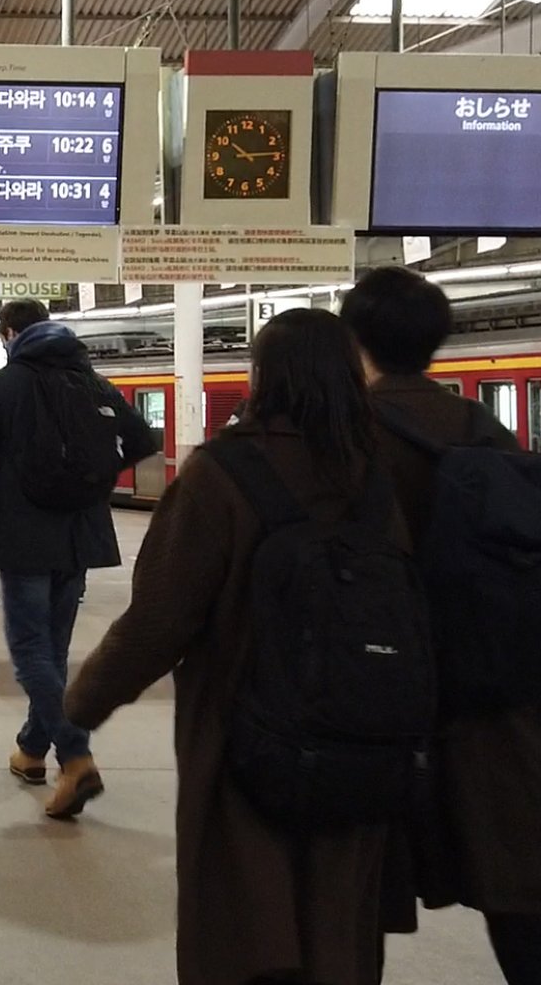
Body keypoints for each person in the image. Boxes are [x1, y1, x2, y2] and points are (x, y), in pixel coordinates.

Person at [64, 309, 407, 985]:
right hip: (366, 738)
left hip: (245, 736)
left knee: (244, 919)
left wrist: (81, 702)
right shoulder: (375, 475)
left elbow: (159, 618)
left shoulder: (222, 473)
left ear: (263, 375)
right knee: (339, 921)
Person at [342, 266, 541, 984]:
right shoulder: (485, 431)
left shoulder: (342, 436)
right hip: (490, 688)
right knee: (517, 888)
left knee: (357, 893)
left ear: (353, 340)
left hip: (371, 696)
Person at [0, 298, 153, 819]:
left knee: (32, 650)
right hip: (78, 534)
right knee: (52, 651)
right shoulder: (93, 382)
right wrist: (97, 478)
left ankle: (75, 759)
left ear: (11, 333)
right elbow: (143, 439)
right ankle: (32, 750)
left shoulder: (9, 384)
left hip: (23, 532)